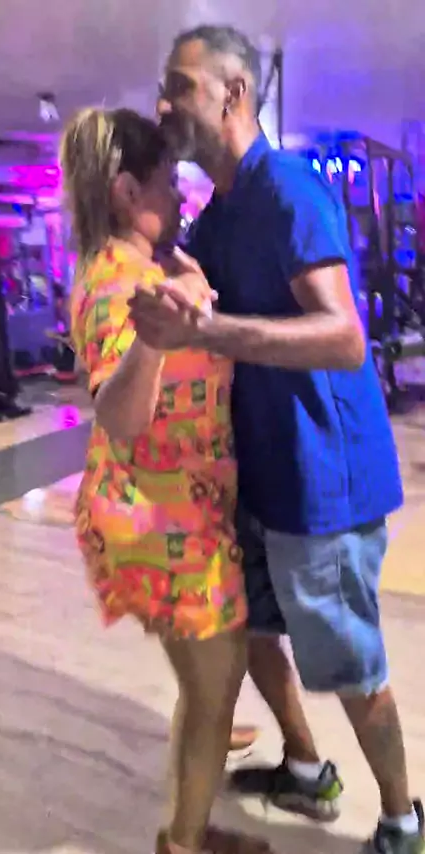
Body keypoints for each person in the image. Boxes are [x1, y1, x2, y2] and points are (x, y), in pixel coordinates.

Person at [128, 24, 424, 854]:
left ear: (234, 93)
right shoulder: (219, 216)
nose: (164, 104)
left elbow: (344, 337)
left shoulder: (288, 187)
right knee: (252, 633)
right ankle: (305, 768)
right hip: (255, 478)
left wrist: (211, 329)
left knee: (352, 667)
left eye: (179, 86)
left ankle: (403, 822)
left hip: (323, 482)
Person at [60, 106, 270, 854]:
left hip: (169, 515)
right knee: (216, 689)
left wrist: (190, 286)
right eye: (166, 183)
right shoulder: (119, 285)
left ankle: (185, 829)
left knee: (207, 685)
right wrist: (152, 340)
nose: (180, 196)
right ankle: (185, 843)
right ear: (126, 193)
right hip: (165, 527)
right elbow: (120, 414)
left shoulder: (139, 269)